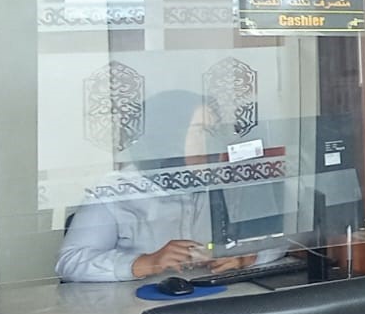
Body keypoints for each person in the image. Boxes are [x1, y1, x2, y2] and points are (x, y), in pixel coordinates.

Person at [55, 90, 285, 283]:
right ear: (166, 137)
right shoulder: (116, 192)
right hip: (134, 311)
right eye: (201, 131)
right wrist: (146, 263)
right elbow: (71, 262)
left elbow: (284, 240)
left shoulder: (225, 182)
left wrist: (246, 257)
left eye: (214, 131)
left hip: (215, 303)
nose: (210, 142)